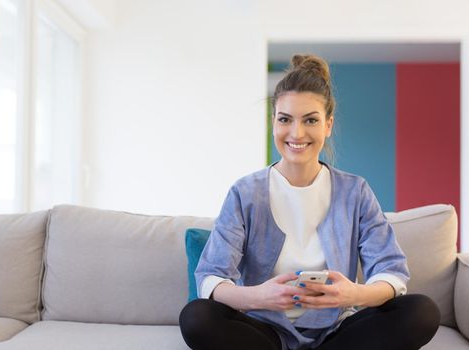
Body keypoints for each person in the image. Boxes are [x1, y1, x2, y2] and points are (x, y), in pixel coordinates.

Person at [179, 54, 440, 350]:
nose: (297, 133)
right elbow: (212, 278)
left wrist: (353, 294)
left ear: (328, 125)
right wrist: (259, 297)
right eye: (285, 119)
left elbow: (390, 272)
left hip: (337, 330)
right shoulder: (245, 192)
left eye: (311, 120)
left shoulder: (355, 192)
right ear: (274, 122)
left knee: (422, 312)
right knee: (196, 317)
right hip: (265, 331)